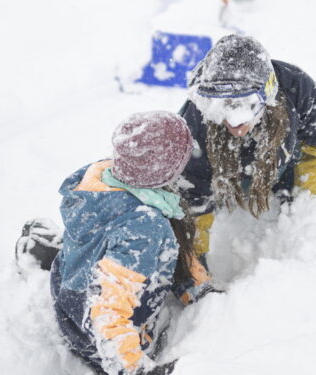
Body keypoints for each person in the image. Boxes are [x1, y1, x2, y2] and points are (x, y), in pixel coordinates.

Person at [50, 111, 215, 375]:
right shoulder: (144, 227)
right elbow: (107, 314)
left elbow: (171, 241)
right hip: (94, 336)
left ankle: (47, 250)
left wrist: (197, 286)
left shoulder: (99, 179)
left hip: (69, 289)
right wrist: (134, 368)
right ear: (166, 170)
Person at [178, 34, 316, 258]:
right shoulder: (196, 122)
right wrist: (195, 263)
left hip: (285, 165)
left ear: (268, 93)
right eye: (225, 106)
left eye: (248, 104)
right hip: (225, 176)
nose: (235, 122)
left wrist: (303, 208)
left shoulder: (298, 88)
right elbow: (192, 192)